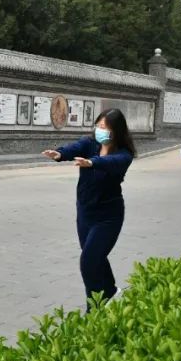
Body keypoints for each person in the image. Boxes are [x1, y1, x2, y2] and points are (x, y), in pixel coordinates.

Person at [42, 109, 136, 307]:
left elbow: (112, 162)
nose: (100, 130)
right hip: (85, 212)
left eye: (105, 127)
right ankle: (111, 291)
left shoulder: (124, 154)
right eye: (99, 125)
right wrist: (60, 154)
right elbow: (74, 148)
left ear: (116, 131)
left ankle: (94, 308)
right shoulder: (90, 143)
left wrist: (92, 162)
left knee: (88, 261)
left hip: (108, 216)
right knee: (94, 256)